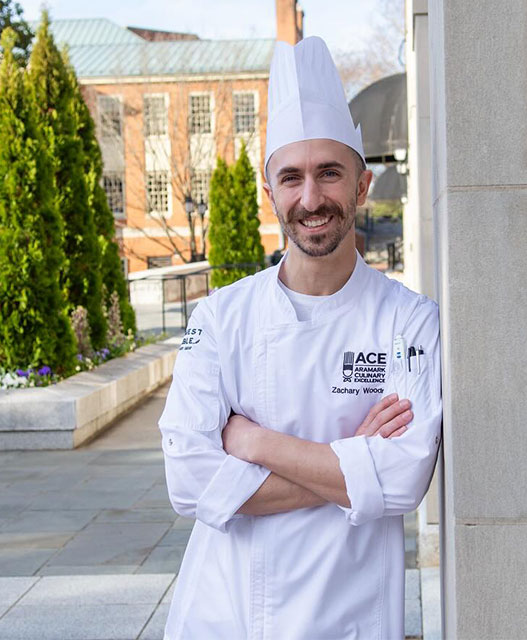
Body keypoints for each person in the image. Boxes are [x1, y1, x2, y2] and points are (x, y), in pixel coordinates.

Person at [159, 36, 442, 640]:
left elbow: (405, 478)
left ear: (362, 187)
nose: (311, 198)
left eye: (329, 174)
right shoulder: (219, 320)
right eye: (292, 178)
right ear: (271, 194)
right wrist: (350, 463)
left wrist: (254, 442)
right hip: (228, 615)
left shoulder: (410, 322)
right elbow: (188, 479)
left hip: (354, 614)